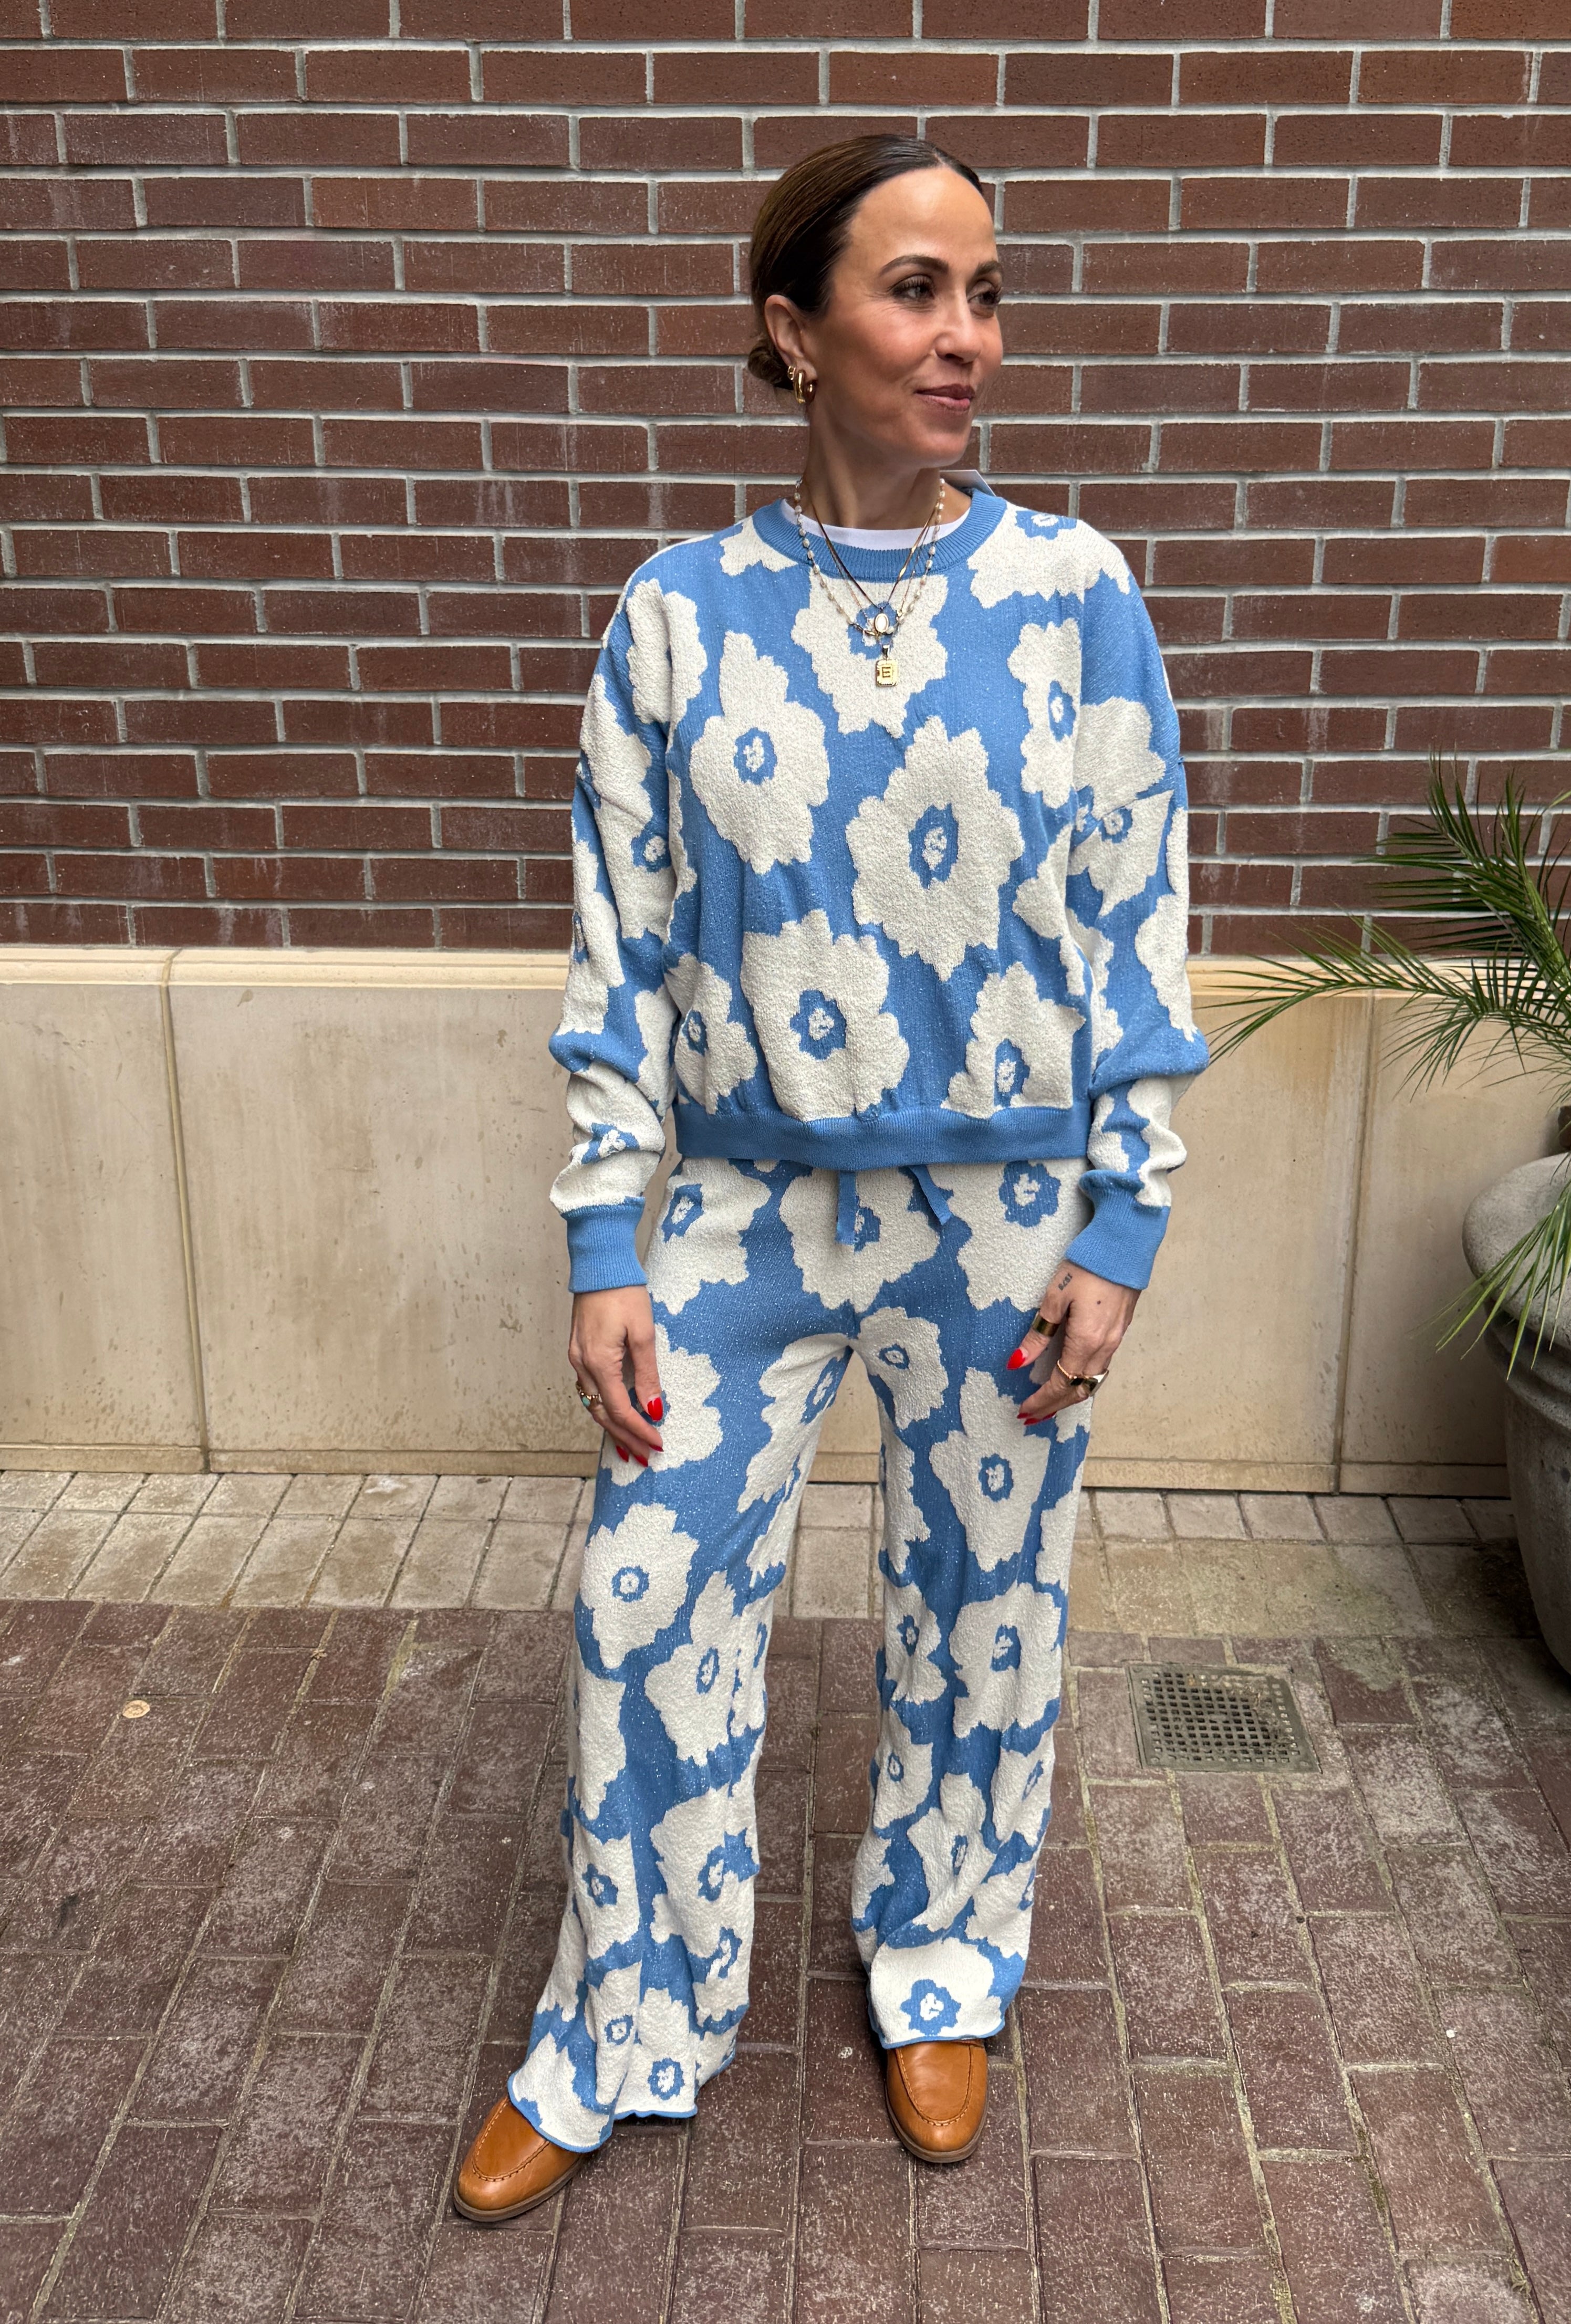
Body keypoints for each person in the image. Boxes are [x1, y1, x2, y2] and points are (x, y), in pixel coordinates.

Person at [453, 132, 1208, 2222]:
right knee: (641, 1599)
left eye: (983, 291)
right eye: (910, 290)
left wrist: (1122, 1216)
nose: (962, 335)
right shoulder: (675, 620)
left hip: (1000, 1218)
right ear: (792, 333)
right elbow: (615, 962)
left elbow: (1135, 919)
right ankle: (626, 2017)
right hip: (735, 1215)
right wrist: (603, 1239)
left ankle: (944, 1967)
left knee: (986, 1615)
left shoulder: (1073, 595)